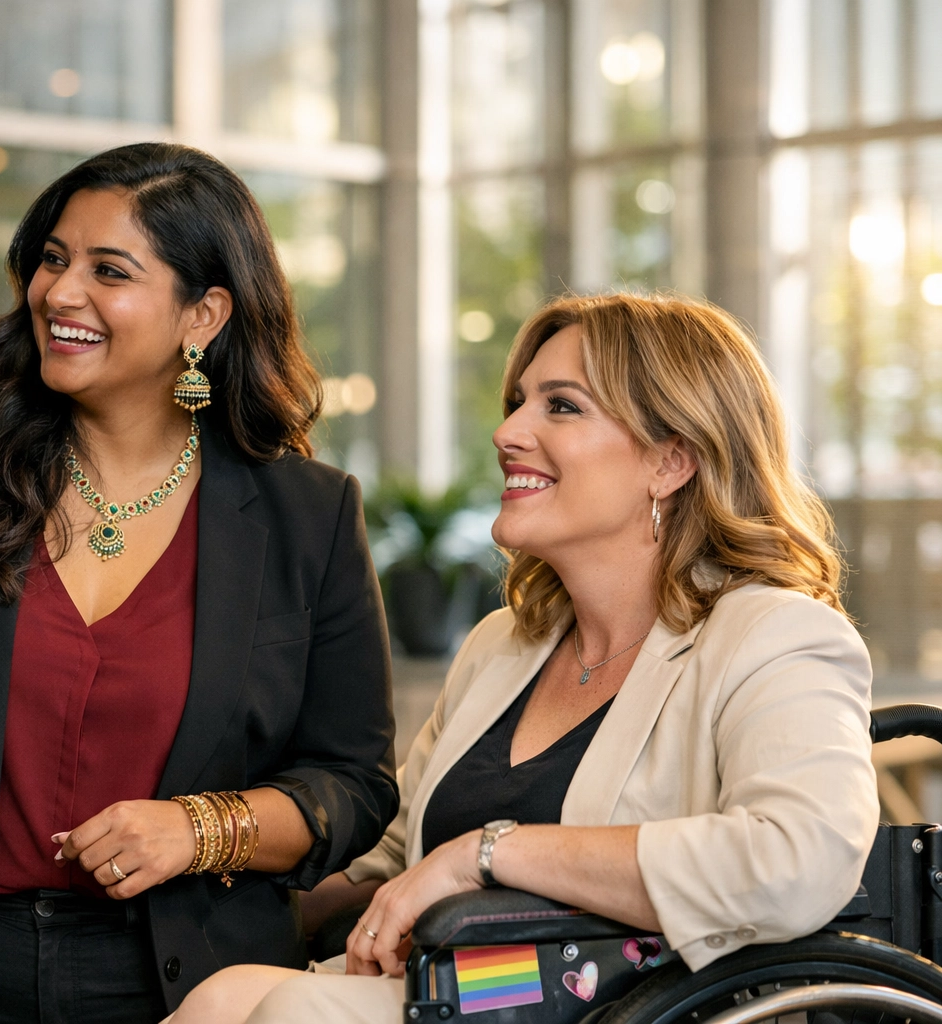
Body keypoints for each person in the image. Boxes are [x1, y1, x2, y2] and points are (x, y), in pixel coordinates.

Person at [168, 292, 880, 1024]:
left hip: (628, 999)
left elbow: (799, 860)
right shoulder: (503, 646)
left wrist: (490, 851)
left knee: (302, 1008)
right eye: (518, 401)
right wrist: (193, 861)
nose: (509, 431)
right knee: (223, 994)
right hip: (473, 990)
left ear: (671, 460)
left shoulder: (775, 634)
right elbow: (389, 859)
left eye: (562, 406)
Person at [0, 142, 398, 1023]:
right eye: (54, 260)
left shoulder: (307, 514)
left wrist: (201, 828)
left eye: (111, 270)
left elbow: (354, 783)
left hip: (195, 987)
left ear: (203, 315)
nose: (60, 293)